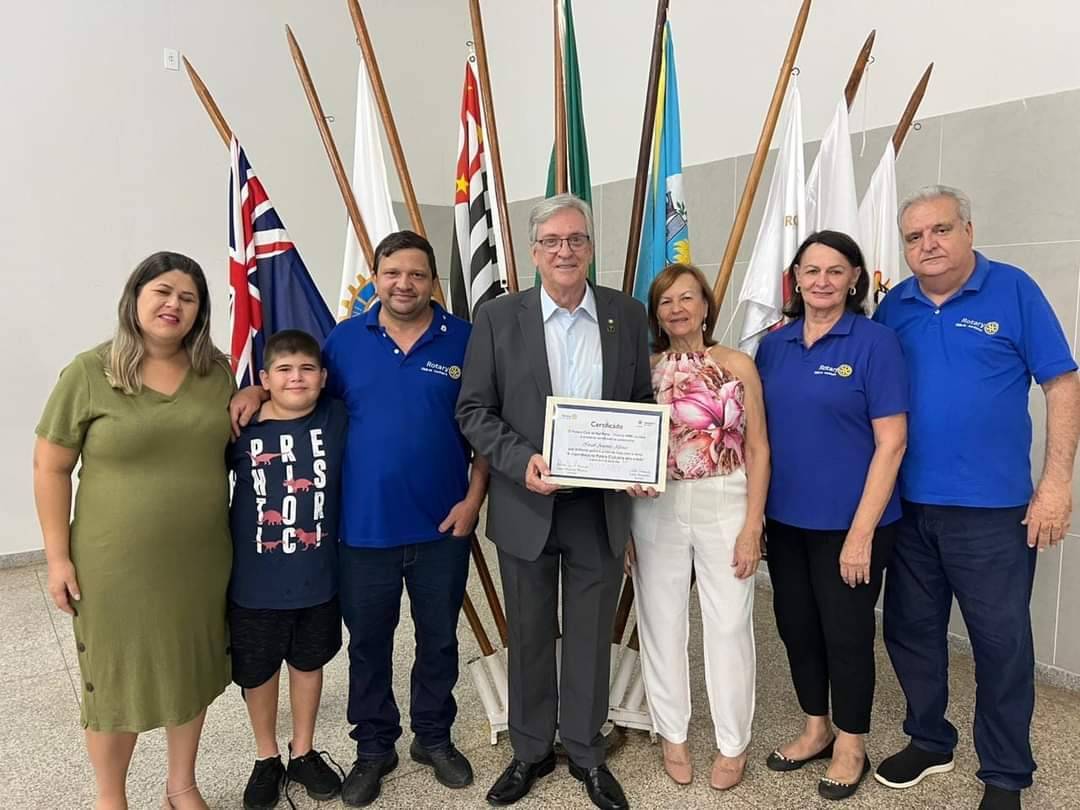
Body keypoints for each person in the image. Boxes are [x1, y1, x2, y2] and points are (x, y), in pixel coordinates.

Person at [231, 230, 488, 807]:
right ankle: (374, 748)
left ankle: (433, 737)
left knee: (439, 639)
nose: (404, 284)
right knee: (369, 646)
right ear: (376, 277)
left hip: (444, 527)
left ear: (433, 282)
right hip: (362, 531)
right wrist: (250, 392)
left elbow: (485, 424)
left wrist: (474, 501)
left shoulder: (465, 341)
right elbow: (301, 397)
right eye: (392, 273)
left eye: (417, 274)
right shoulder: (343, 342)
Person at [873, 186, 1080, 810]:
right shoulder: (895, 308)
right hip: (909, 509)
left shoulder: (1013, 289)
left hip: (994, 514)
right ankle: (930, 740)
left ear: (968, 229)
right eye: (913, 236)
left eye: (940, 230)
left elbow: (1062, 385)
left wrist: (1057, 484)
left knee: (1001, 645)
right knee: (911, 632)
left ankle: (1006, 773)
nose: (927, 245)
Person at [456, 193, 654, 810]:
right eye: (552, 242)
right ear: (534, 252)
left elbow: (642, 403)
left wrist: (638, 460)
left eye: (577, 240)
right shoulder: (498, 318)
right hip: (526, 503)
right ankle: (530, 750)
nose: (565, 251)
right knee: (532, 633)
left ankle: (587, 753)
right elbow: (473, 410)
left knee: (592, 635)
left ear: (591, 248)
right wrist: (521, 462)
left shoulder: (627, 313)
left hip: (599, 509)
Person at [33, 252, 234, 810]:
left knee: (191, 669)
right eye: (163, 292)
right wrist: (57, 557)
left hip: (201, 561)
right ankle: (110, 797)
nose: (174, 305)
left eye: (188, 297)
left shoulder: (216, 374)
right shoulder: (88, 373)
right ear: (135, 298)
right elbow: (50, 468)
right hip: (113, 565)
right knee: (115, 680)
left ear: (200, 311)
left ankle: (181, 785)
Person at [755, 231, 909, 801]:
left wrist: (861, 533)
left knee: (845, 634)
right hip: (787, 522)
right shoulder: (774, 344)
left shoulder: (875, 342)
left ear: (854, 278)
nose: (822, 281)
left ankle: (851, 742)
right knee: (797, 628)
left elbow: (891, 443)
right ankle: (815, 727)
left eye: (835, 270)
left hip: (854, 526)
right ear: (795, 277)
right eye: (811, 270)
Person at [625, 263, 768, 790]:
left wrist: (753, 524)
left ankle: (733, 743)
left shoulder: (736, 365)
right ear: (656, 314)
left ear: (706, 305)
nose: (679, 308)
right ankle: (673, 733)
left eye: (688, 298)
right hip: (655, 507)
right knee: (660, 623)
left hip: (725, 499)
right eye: (667, 301)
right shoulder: (643, 369)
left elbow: (759, 448)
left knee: (729, 623)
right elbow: (622, 446)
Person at [227, 329, 347, 809]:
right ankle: (266, 756)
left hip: (318, 578)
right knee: (257, 672)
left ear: (322, 377)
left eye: (305, 369)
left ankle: (303, 749)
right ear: (265, 378)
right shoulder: (241, 428)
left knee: (307, 663)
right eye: (283, 370)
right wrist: (248, 396)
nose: (295, 378)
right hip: (254, 583)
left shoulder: (336, 416)